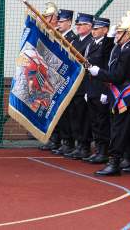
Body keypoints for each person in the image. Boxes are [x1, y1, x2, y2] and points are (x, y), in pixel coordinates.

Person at [88, 12, 130, 176]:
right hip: (123, 95)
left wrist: (98, 72)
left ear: (129, 33)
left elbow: (117, 76)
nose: (117, 34)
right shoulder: (124, 46)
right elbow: (111, 56)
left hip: (126, 96)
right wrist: (112, 38)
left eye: (120, 32)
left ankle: (114, 161)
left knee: (119, 130)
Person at [41, 9, 76, 153]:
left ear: (69, 22)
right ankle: (56, 139)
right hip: (54, 79)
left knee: (66, 114)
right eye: (58, 21)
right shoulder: (57, 35)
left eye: (62, 21)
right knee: (54, 111)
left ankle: (67, 142)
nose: (59, 24)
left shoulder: (72, 38)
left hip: (65, 79)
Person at [83, 17, 114, 164]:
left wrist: (105, 91)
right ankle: (98, 149)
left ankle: (104, 151)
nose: (93, 31)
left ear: (105, 30)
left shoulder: (107, 45)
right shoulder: (90, 44)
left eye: (96, 29)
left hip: (102, 88)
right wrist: (87, 91)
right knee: (94, 120)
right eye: (93, 29)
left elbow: (107, 68)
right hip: (91, 88)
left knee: (102, 121)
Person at [64, 13, 93, 160]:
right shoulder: (75, 42)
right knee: (74, 115)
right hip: (74, 84)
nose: (78, 27)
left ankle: (84, 146)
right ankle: (77, 143)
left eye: (81, 25)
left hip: (84, 85)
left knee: (83, 117)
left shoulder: (90, 41)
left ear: (89, 26)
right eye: (78, 25)